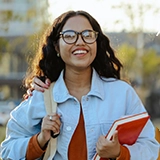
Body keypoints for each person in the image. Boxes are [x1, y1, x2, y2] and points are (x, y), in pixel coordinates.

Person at [0, 10, 159, 160]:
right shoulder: (42, 95)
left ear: (96, 42)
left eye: (87, 35)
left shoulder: (122, 93)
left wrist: (119, 152)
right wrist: (40, 140)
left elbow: (152, 147)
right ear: (57, 46)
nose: (80, 42)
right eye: (69, 36)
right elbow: (7, 150)